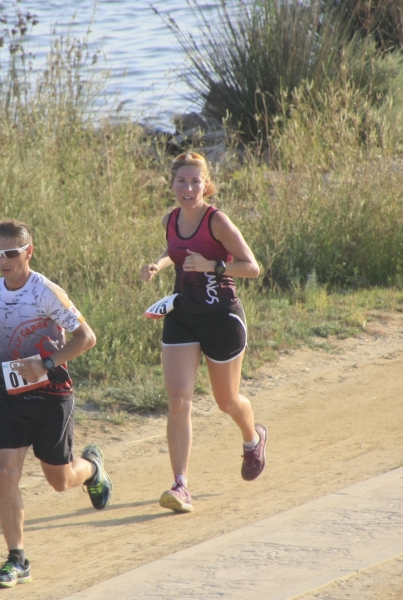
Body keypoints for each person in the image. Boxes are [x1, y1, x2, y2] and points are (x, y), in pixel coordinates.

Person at [0, 219, 112, 588]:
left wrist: (45, 364)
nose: (2, 260)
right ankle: (18, 559)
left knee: (59, 480)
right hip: (9, 396)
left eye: (11, 253)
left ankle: (92, 468)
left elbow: (86, 337)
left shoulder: (45, 292)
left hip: (51, 393)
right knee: (5, 473)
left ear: (28, 252)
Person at [140, 151, 265, 513]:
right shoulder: (171, 218)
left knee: (227, 401)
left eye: (196, 181)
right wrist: (159, 264)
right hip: (183, 314)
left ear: (205, 184)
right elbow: (174, 249)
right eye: (181, 181)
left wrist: (213, 265)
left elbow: (252, 267)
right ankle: (180, 486)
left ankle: (253, 438)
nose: (188, 187)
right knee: (179, 401)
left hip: (222, 318)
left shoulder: (217, 221)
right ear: (172, 184)